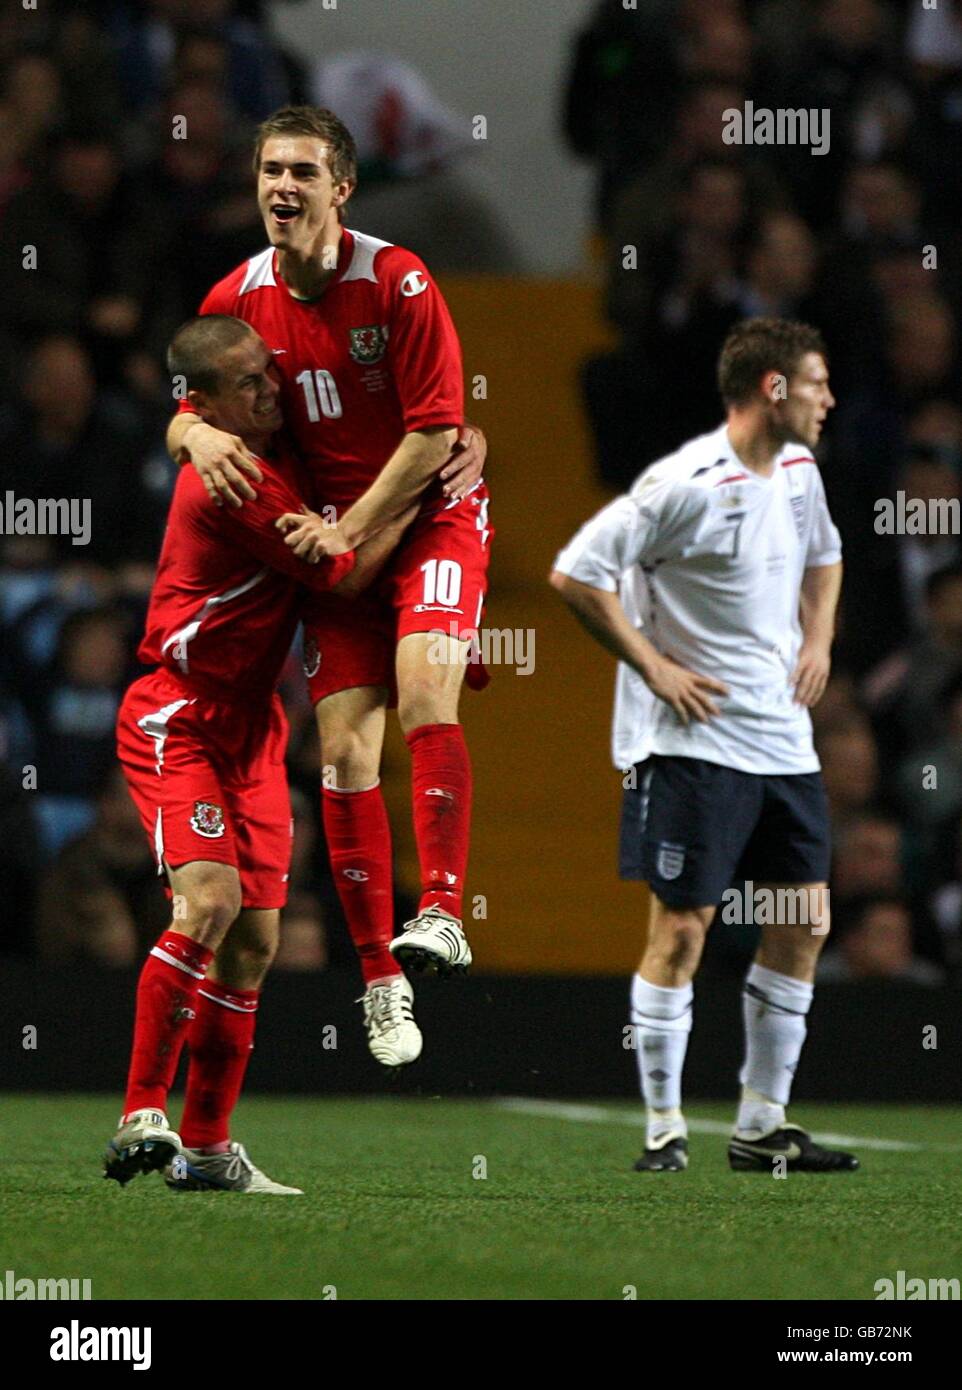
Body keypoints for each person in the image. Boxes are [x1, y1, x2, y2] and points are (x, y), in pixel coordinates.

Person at [164, 105, 491, 1068]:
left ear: (341, 189)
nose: (282, 187)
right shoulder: (237, 295)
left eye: (304, 172)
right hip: (331, 545)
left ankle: (441, 911)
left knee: (427, 686)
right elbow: (185, 396)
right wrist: (195, 432)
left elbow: (435, 432)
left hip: (420, 515)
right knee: (344, 755)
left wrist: (350, 528)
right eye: (270, 169)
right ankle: (381, 986)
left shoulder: (399, 280)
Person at [106, 313, 413, 1194]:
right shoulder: (232, 478)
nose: (271, 390)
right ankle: (139, 1113)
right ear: (202, 402)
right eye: (247, 385)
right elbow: (341, 572)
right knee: (209, 903)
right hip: (181, 714)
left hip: (252, 728)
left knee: (255, 943)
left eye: (270, 375)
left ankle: (205, 1151)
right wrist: (417, 497)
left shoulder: (252, 449)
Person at [550, 317, 858, 1174]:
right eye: (817, 382)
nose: (828, 399)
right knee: (684, 928)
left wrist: (818, 641)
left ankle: (762, 1126)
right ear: (772, 389)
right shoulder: (681, 484)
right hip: (690, 743)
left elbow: (825, 559)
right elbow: (575, 574)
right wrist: (651, 666)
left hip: (783, 744)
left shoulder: (799, 474)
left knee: (803, 922)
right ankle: (664, 1129)